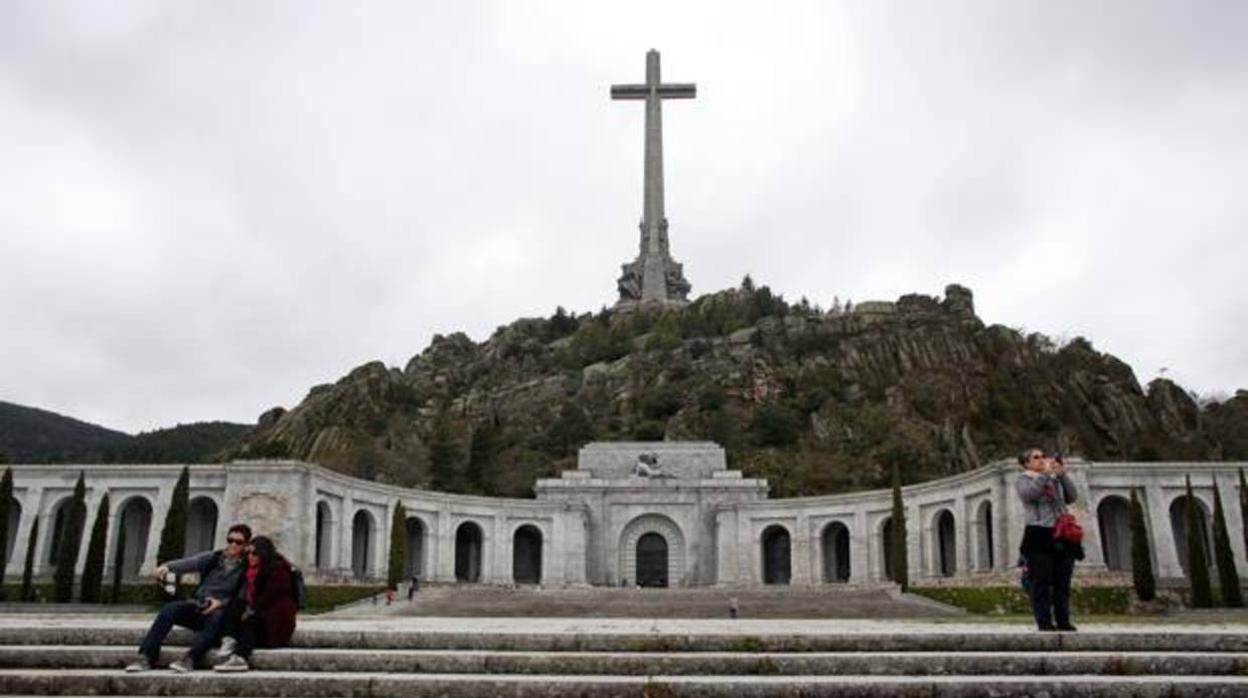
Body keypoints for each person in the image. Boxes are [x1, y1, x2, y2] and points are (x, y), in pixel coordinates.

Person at [125, 523, 252, 673]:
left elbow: (243, 597)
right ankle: (146, 656)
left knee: (215, 618)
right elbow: (191, 562)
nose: (232, 545)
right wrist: (167, 567)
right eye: (230, 540)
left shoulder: (247, 567)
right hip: (199, 604)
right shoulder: (214, 557)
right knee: (169, 609)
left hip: (221, 612)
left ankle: (190, 659)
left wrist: (220, 603)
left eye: (238, 542)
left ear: (246, 545)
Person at [1015, 448, 1081, 631]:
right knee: (1041, 582)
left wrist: (1062, 476)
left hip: (1062, 533)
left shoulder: (1054, 479)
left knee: (1063, 581)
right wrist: (1045, 475)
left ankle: (1063, 620)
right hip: (1038, 533)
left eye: (1043, 456)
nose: (1042, 459)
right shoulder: (1023, 480)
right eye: (1036, 457)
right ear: (1026, 463)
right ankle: (1044, 622)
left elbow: (1072, 497)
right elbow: (1030, 495)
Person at [213, 536, 298, 672]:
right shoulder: (251, 571)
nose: (250, 557)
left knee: (251, 620)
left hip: (276, 622)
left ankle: (240, 657)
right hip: (261, 614)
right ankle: (229, 640)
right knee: (235, 604)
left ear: (264, 554)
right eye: (248, 553)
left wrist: (250, 611)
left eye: (254, 553)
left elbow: (269, 598)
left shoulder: (278, 570)